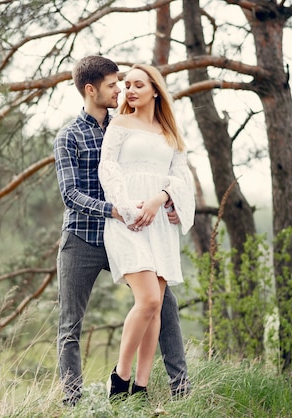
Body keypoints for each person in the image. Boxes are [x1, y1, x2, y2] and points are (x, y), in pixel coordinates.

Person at [53, 56, 191, 407]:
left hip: (136, 231)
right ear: (91, 89)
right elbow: (70, 194)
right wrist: (114, 209)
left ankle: (180, 388)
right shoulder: (69, 136)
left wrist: (169, 202)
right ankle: (72, 403)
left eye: (124, 84)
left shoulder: (127, 125)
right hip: (84, 237)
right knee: (70, 324)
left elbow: (160, 168)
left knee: (162, 305)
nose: (121, 90)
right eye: (114, 85)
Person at [98, 63, 195, 400]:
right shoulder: (119, 124)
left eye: (138, 84)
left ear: (155, 89)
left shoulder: (170, 133)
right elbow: (107, 167)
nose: (130, 90)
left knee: (154, 308)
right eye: (126, 85)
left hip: (159, 228)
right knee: (149, 298)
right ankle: (120, 378)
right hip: (128, 220)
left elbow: (182, 177)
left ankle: (140, 387)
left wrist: (163, 198)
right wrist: (126, 207)